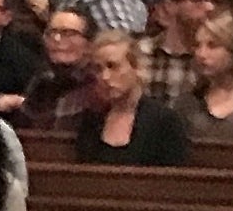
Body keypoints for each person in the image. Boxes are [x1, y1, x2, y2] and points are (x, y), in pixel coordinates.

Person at [68, 31, 189, 166]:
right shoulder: (92, 120)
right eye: (98, 69)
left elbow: (172, 179)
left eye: (113, 66)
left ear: (136, 67)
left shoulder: (164, 121)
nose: (105, 77)